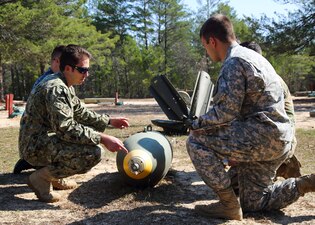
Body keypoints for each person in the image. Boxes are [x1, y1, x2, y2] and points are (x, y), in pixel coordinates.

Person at [186, 14, 315, 221]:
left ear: (212, 41)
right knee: (253, 202)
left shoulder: (234, 61)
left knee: (196, 141)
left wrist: (195, 124)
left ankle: (228, 205)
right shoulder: (255, 57)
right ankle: (305, 183)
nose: (206, 51)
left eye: (205, 46)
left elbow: (224, 113)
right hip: (279, 139)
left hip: (262, 136)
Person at [19, 44, 130, 203]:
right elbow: (66, 128)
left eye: (87, 70)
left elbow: (79, 111)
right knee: (92, 153)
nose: (87, 74)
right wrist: (102, 138)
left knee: (87, 146)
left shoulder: (64, 84)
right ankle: (42, 178)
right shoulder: (56, 88)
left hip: (42, 141)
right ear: (68, 68)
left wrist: (109, 121)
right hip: (34, 147)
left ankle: (54, 176)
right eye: (83, 70)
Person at [14, 45, 66, 174]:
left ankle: (30, 160)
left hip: (33, 139)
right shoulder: (51, 83)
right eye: (66, 62)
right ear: (57, 61)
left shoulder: (52, 79)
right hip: (35, 140)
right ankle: (36, 162)